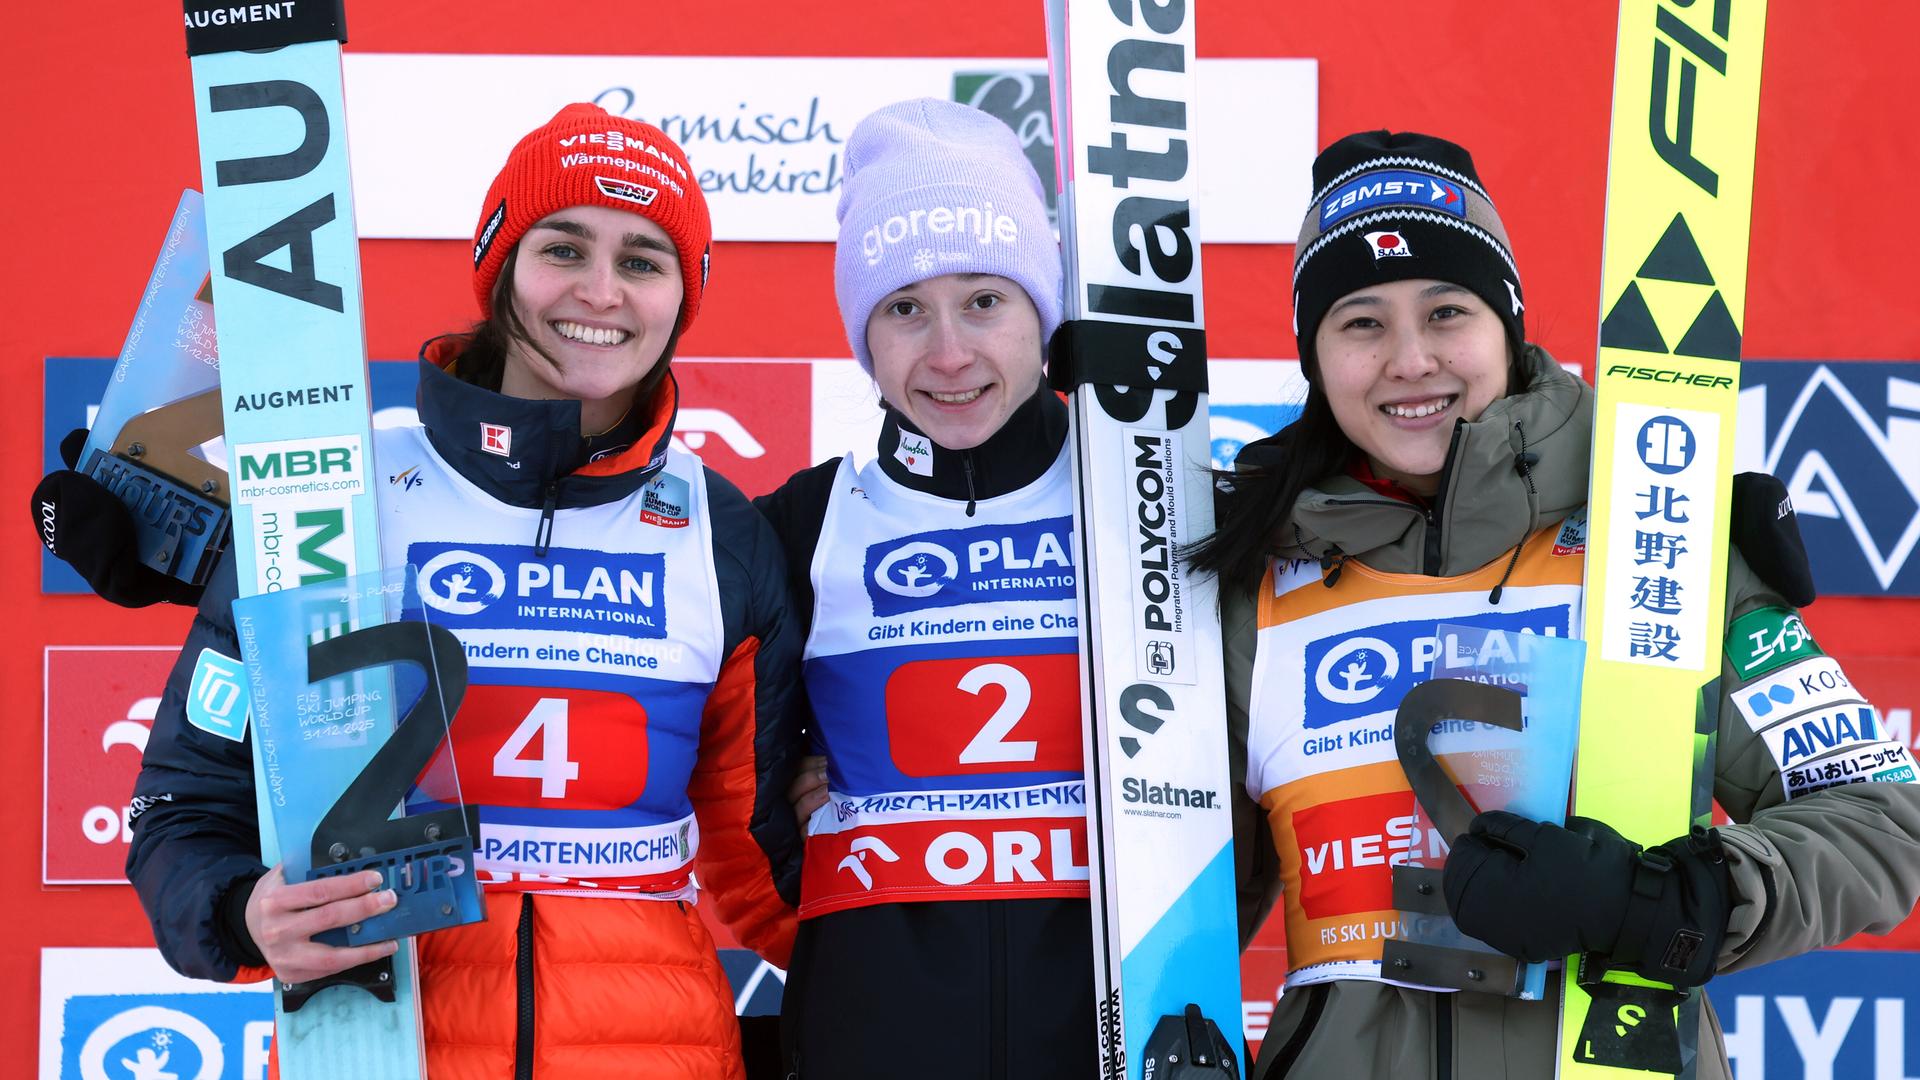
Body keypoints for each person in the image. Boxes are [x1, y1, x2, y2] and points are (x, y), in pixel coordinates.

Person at [1192, 130, 1920, 1080]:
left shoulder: (1652, 537)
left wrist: (1669, 904)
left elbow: (1879, 816)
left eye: (1447, 312)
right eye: (1360, 323)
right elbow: (1167, 903)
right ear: (1315, 357)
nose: (1410, 360)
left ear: (1507, 325)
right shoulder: (1255, 583)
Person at [117, 104, 803, 1079]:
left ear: (681, 298)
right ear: (500, 265)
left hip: (654, 1051)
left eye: (644, 260)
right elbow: (189, 805)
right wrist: (238, 913)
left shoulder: (719, 530)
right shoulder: (338, 492)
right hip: (377, 1040)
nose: (600, 292)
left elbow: (760, 858)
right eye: (564, 247)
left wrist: (940, 983)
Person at [756, 98, 1095, 1079]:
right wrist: (795, 834)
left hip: (1112, 1042)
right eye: (904, 308)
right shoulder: (799, 527)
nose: (948, 354)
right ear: (866, 334)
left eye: (985, 300)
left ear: (1044, 308)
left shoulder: (1148, 507)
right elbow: (719, 788)